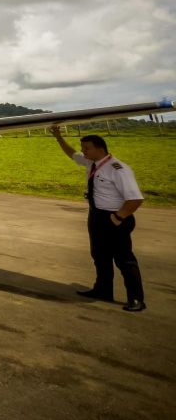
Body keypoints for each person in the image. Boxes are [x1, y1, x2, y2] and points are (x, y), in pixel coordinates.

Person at [51, 126, 146, 312]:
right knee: (99, 256)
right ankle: (103, 290)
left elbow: (135, 198)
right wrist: (58, 137)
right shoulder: (91, 163)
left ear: (99, 149)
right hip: (96, 216)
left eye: (86, 148)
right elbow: (71, 154)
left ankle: (136, 299)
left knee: (124, 260)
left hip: (115, 217)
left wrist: (118, 217)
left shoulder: (118, 169)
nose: (83, 151)